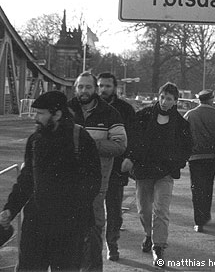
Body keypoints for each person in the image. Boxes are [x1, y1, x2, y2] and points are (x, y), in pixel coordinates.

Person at [0, 91, 101, 272]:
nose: (35, 118)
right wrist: (10, 209)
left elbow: (93, 181)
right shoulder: (35, 141)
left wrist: (73, 210)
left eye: (40, 113)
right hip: (36, 225)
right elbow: (26, 180)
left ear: (57, 114)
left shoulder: (80, 138)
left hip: (69, 228)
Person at [121, 82, 192, 268]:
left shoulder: (181, 124)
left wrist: (177, 163)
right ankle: (149, 235)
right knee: (144, 209)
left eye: (169, 99)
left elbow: (187, 147)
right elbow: (133, 138)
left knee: (161, 209)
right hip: (143, 170)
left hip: (165, 172)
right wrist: (130, 157)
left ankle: (158, 246)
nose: (164, 101)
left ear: (175, 101)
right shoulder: (143, 116)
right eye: (162, 97)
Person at [68, 72, 127, 272]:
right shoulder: (66, 111)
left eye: (88, 87)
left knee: (93, 229)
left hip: (96, 181)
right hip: (66, 182)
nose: (84, 91)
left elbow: (120, 145)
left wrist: (89, 144)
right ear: (75, 89)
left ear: (95, 89)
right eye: (80, 87)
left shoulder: (110, 113)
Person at [97, 72, 135, 262]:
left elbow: (133, 136)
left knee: (113, 209)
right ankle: (91, 244)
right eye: (101, 85)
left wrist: (130, 158)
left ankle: (112, 244)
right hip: (92, 167)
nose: (103, 89)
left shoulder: (125, 109)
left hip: (116, 166)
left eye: (107, 86)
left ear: (115, 88)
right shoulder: (89, 107)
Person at [183, 89, 215, 232]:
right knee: (207, 186)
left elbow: (183, 135)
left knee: (196, 188)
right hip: (211, 157)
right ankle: (206, 214)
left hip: (194, 158)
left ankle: (198, 220)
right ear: (211, 99)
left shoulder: (190, 115)